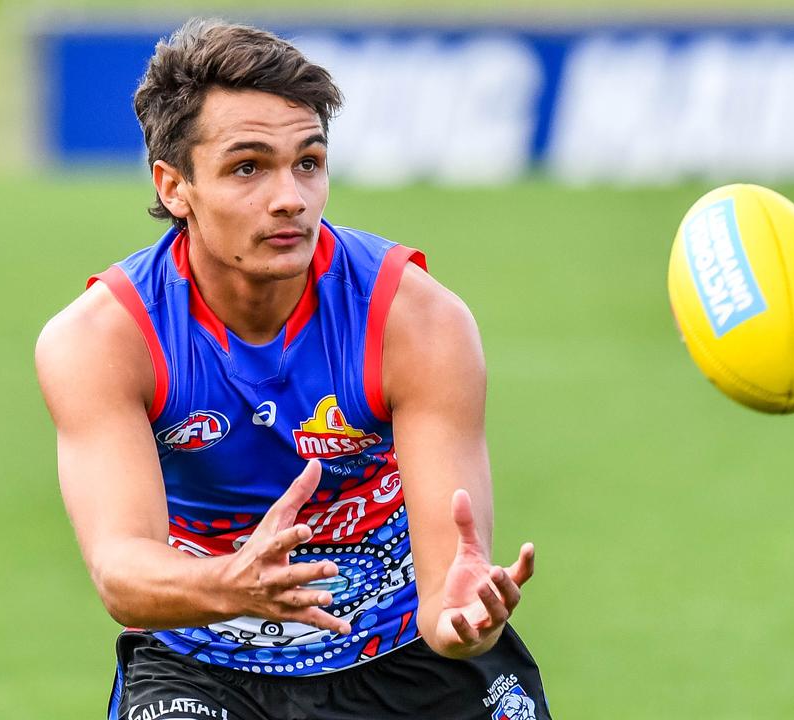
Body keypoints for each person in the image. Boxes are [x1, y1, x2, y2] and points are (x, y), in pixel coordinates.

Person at [35, 18, 549, 720]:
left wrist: (464, 620)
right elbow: (121, 573)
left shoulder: (415, 320)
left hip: (405, 657)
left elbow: (445, 598)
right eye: (248, 167)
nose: (290, 198)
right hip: (203, 666)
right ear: (175, 185)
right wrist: (231, 583)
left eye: (308, 162)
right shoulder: (105, 339)